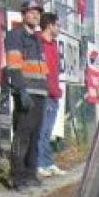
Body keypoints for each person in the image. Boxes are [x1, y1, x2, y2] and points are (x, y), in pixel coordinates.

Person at [4, 0, 48, 190]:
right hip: (26, 92)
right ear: (23, 14)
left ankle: (31, 173)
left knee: (36, 136)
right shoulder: (15, 36)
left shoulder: (37, 39)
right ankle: (17, 177)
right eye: (31, 12)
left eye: (38, 12)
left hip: (40, 93)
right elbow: (14, 65)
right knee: (22, 135)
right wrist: (20, 90)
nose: (36, 15)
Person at [37, 12, 65, 177]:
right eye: (58, 25)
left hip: (54, 94)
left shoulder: (53, 44)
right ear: (49, 25)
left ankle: (48, 162)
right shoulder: (39, 43)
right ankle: (39, 163)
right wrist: (48, 89)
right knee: (42, 130)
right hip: (45, 93)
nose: (59, 28)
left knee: (48, 132)